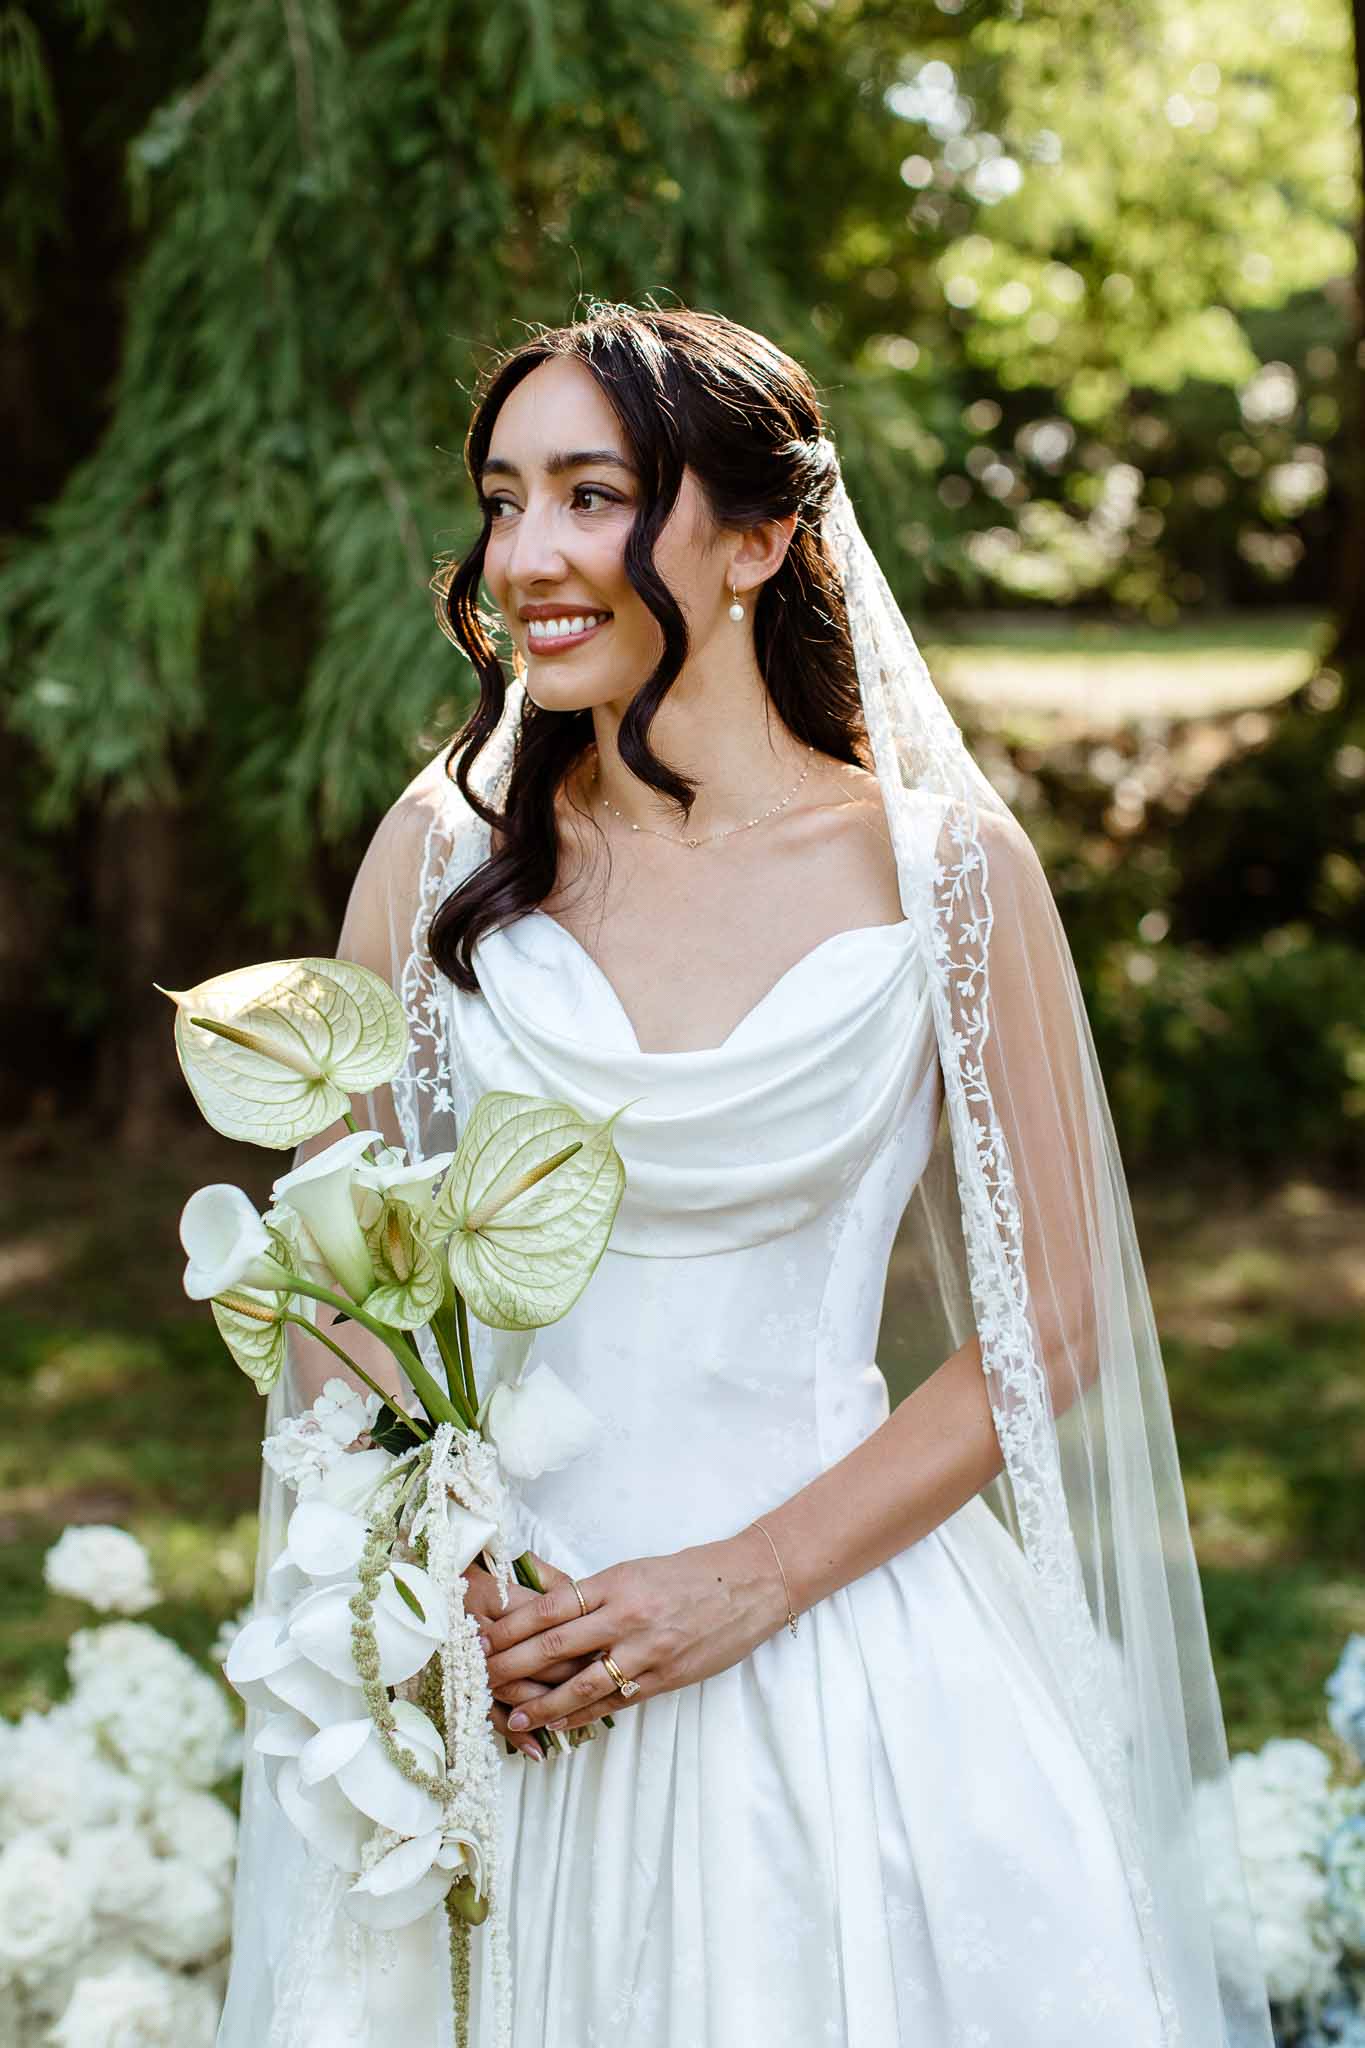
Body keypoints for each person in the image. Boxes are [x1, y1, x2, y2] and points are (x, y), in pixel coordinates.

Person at [218, 303, 1274, 2047]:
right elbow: (338, 1256)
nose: (525, 556)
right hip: (509, 1667)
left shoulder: (944, 875)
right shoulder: (442, 854)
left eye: (589, 495)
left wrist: (749, 1581)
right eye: (502, 500)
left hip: (841, 1643)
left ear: (759, 539)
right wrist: (428, 1563)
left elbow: (1056, 1323)